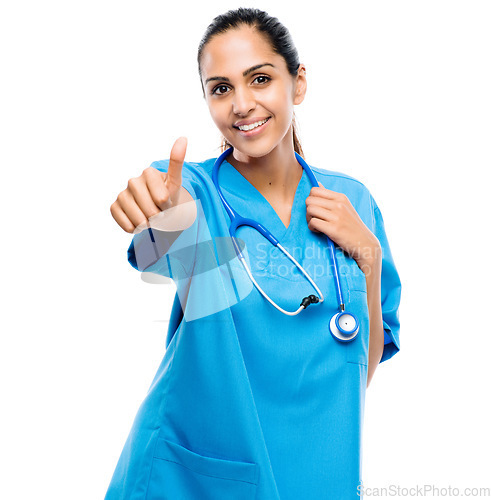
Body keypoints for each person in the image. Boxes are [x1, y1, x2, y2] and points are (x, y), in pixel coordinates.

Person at [106, 7, 402, 499]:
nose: (241, 104)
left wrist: (368, 256)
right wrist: (159, 209)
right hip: (196, 481)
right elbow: (164, 233)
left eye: (259, 79)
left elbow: (358, 371)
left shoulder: (354, 203)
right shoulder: (195, 190)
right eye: (221, 88)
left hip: (319, 474)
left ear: (298, 83)